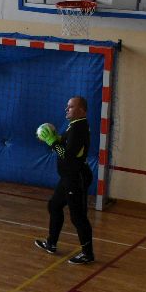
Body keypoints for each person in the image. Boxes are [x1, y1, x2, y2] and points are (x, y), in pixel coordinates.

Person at [34, 96, 95, 265]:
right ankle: (51, 243)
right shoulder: (75, 125)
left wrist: (52, 142)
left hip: (76, 178)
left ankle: (87, 253)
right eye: (67, 106)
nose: (66, 109)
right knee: (54, 205)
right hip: (68, 177)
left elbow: (67, 156)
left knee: (78, 217)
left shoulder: (78, 128)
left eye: (71, 107)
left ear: (82, 110)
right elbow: (68, 145)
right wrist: (55, 138)